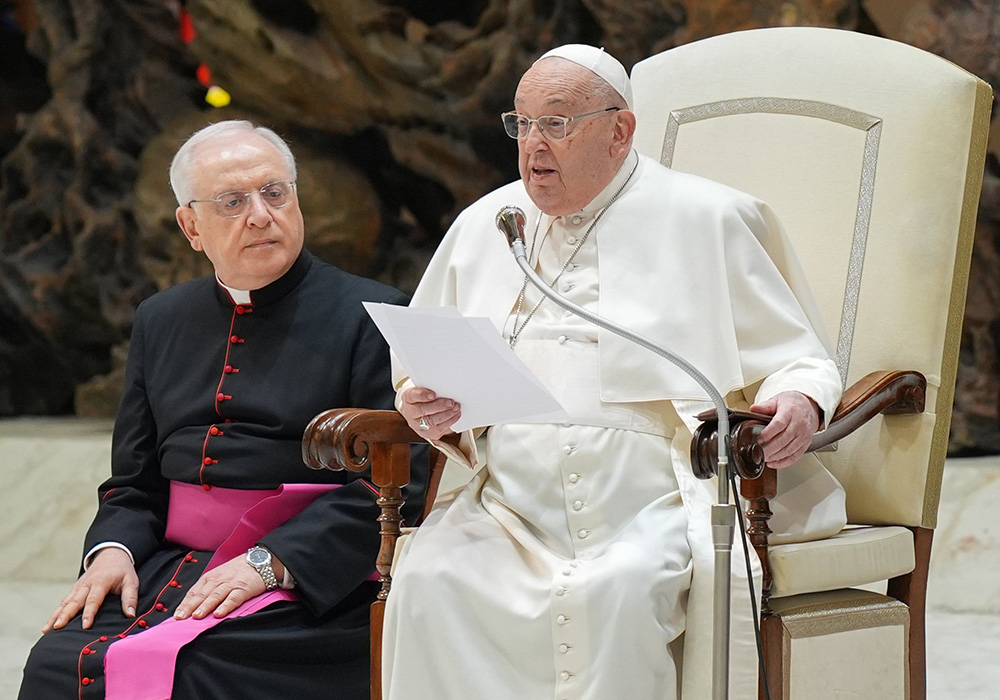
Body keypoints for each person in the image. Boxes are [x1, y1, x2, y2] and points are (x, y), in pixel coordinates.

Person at [381, 45, 846, 700]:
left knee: (615, 594)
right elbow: (422, 368)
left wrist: (797, 399)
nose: (533, 146)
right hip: (507, 502)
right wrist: (428, 405)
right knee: (431, 582)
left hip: (650, 497)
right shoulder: (491, 224)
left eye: (558, 123)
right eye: (522, 124)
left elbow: (797, 357)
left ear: (620, 129)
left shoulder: (709, 218)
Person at [17, 120, 427, 700]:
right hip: (171, 567)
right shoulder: (160, 320)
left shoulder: (374, 313)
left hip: (309, 577)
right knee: (59, 661)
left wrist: (273, 561)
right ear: (190, 226)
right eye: (232, 202)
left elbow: (400, 482)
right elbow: (134, 483)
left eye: (275, 193)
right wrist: (112, 551)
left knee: (199, 667)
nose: (260, 214)